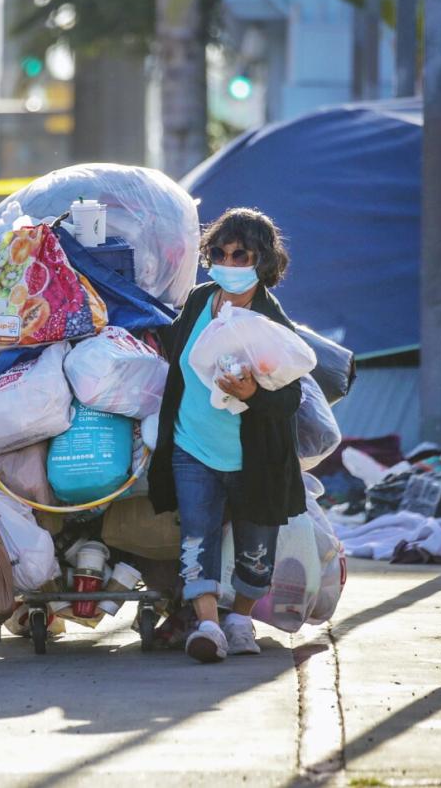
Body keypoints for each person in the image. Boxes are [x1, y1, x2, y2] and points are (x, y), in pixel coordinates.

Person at [148, 207, 305, 663]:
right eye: (219, 253)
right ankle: (209, 627)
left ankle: (240, 618)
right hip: (190, 446)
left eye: (241, 255)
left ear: (263, 261)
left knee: (257, 548)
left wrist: (253, 392)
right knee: (197, 536)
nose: (229, 263)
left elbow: (288, 400)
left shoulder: (271, 321)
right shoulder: (200, 300)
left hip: (253, 457)